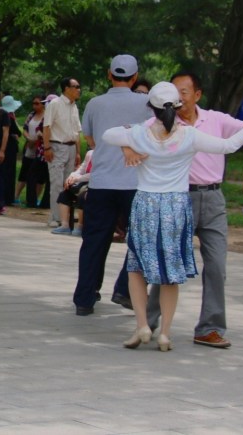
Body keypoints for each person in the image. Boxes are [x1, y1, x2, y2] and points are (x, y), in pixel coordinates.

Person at [103, 82, 243, 352]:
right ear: (176, 106)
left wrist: (127, 144)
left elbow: (108, 135)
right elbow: (230, 146)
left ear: (150, 107)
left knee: (137, 268)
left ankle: (142, 325)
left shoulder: (139, 134)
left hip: (146, 203)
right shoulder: (189, 135)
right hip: (176, 204)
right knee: (170, 273)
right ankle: (164, 334)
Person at [73, 55, 150, 316]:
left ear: (109, 74)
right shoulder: (145, 103)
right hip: (135, 182)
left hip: (102, 181)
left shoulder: (95, 103)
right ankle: (125, 288)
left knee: (95, 241)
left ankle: (84, 298)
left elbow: (91, 138)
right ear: (135, 76)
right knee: (140, 240)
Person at [44, 78, 82, 227]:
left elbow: (76, 131)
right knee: (56, 183)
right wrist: (47, 147)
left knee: (69, 184)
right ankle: (55, 217)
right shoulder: (55, 104)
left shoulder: (74, 106)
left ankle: (66, 217)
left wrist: (78, 152)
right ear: (66, 88)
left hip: (71, 147)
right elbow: (47, 127)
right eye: (76, 87)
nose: (79, 89)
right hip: (57, 146)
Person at [15, 95, 49, 208]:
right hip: (29, 148)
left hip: (40, 149)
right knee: (24, 173)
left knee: (39, 178)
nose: (34, 105)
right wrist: (29, 138)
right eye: (33, 103)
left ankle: (35, 198)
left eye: (37, 103)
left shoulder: (47, 116)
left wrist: (35, 140)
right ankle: (16, 196)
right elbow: (25, 128)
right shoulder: (31, 115)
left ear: (43, 104)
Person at [53, 149, 93, 236]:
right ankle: (65, 225)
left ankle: (80, 226)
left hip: (94, 183)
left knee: (83, 196)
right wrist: (71, 176)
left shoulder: (106, 155)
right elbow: (81, 169)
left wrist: (77, 178)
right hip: (83, 180)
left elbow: (96, 174)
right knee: (65, 194)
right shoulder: (90, 153)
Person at [0, 95, 23, 205]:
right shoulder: (9, 117)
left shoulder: (0, 115)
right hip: (10, 148)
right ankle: (7, 198)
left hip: (2, 146)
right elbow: (18, 132)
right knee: (9, 173)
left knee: (3, 172)